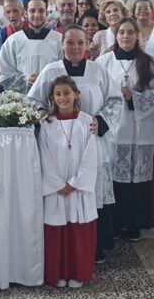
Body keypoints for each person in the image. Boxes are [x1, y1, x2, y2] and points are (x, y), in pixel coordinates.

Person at [29, 26, 119, 264]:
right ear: (63, 45)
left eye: (80, 43)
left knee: (90, 190)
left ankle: (93, 246)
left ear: (87, 44)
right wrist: (42, 114)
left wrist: (101, 121)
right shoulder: (51, 70)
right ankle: (62, 246)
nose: (75, 47)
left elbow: (115, 99)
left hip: (92, 141)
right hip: (59, 145)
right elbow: (33, 101)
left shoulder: (98, 70)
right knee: (62, 191)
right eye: (70, 43)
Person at [96, 19, 154, 241]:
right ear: (115, 36)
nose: (125, 36)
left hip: (140, 129)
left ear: (138, 36)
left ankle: (135, 224)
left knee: (137, 179)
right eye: (121, 32)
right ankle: (116, 224)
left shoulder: (149, 63)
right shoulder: (103, 62)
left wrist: (134, 97)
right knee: (115, 178)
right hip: (113, 130)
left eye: (130, 32)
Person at [39, 75, 99, 289]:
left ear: (76, 95)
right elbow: (43, 155)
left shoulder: (87, 121)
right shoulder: (46, 124)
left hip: (78, 188)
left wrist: (75, 182)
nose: (62, 98)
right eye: (58, 94)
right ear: (52, 98)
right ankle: (57, 273)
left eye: (66, 93)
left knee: (78, 231)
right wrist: (57, 184)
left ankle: (78, 272)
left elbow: (91, 155)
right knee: (57, 232)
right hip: (56, 189)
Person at [0, 0, 62, 94]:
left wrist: (46, 81)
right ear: (26, 13)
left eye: (41, 11)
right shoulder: (13, 41)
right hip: (22, 102)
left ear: (47, 13)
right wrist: (26, 81)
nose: (36, 15)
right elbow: (5, 76)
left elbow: (64, 72)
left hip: (52, 100)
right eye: (32, 11)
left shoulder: (59, 40)